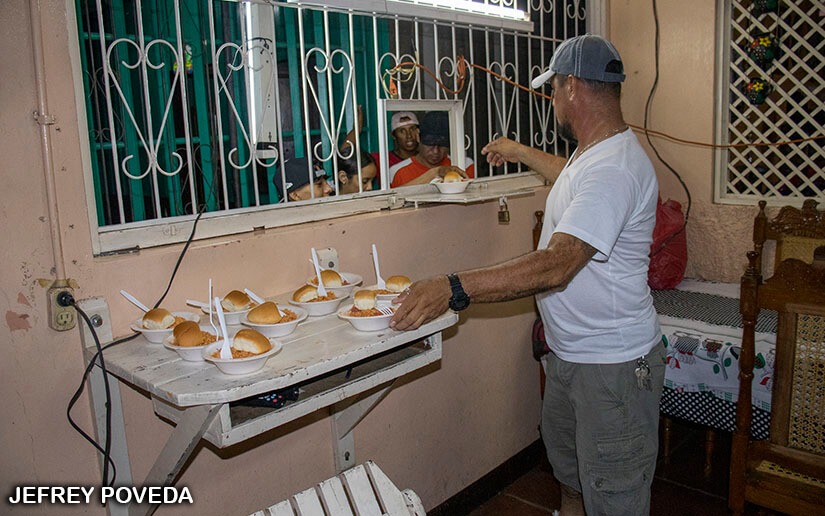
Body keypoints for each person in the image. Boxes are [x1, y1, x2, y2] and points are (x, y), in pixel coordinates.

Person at [389, 34, 664, 516]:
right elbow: (571, 176)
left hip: (611, 368)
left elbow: (558, 264)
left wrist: (453, 288)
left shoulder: (615, 168)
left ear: (572, 86)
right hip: (570, 355)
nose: (553, 99)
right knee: (573, 482)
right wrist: (520, 151)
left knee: (613, 500)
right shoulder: (595, 153)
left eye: (554, 88)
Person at [389, 111, 474, 187]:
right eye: (430, 144)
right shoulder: (398, 172)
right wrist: (435, 173)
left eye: (442, 145)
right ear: (418, 137)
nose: (436, 151)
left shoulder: (465, 165)